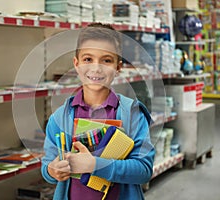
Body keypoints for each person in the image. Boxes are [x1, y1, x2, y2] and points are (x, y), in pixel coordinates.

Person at [41, 22, 155, 200]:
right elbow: (47, 165)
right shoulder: (60, 118)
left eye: (106, 60)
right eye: (88, 59)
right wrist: (52, 170)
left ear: (118, 67)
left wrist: (95, 165)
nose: (96, 68)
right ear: (76, 64)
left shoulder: (132, 114)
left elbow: (144, 170)